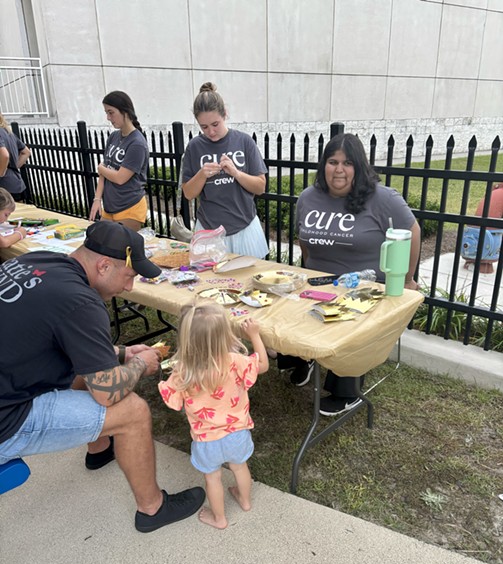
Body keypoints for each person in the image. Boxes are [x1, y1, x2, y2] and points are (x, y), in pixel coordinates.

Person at [0, 220, 205, 532]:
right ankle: (153, 509)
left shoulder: (39, 261)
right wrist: (139, 365)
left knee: (87, 367)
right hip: (6, 418)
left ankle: (98, 451)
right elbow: (106, 393)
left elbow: (62, 335)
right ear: (105, 265)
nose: (130, 287)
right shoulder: (81, 302)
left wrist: (121, 353)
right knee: (133, 411)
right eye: (130, 276)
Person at [279, 133, 420, 416]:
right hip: (318, 282)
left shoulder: (383, 199)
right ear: (324, 166)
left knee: (349, 322)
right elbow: (303, 239)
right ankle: (301, 359)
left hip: (365, 288)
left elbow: (412, 232)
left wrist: (406, 279)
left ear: (360, 167)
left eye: (347, 163)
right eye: (332, 162)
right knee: (281, 306)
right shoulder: (308, 197)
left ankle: (347, 392)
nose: (339, 169)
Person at [158, 303, 269, 529]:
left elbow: (172, 401)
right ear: (225, 334)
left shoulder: (183, 371)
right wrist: (255, 335)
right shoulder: (234, 361)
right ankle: (245, 501)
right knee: (240, 467)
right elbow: (264, 365)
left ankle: (219, 518)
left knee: (212, 478)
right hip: (237, 432)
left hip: (206, 440)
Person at [182, 82, 269, 258]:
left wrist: (236, 173)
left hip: (245, 228)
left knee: (249, 281)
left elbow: (260, 187)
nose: (211, 132)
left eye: (215, 124)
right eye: (204, 127)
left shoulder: (244, 141)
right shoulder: (194, 146)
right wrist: (201, 175)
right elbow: (188, 194)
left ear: (225, 114)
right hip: (208, 230)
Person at [89, 91, 149, 232]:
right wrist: (97, 199)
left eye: (111, 112)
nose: (108, 118)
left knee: (120, 250)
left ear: (125, 112)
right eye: (106, 113)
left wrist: (101, 168)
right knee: (99, 243)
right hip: (110, 207)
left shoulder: (137, 143)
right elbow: (106, 172)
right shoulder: (114, 137)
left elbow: (120, 178)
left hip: (130, 207)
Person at [0, 112, 31, 201]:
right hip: (17, 184)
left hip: (4, 189)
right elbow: (26, 152)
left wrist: (1, 173)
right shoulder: (8, 132)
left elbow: (5, 155)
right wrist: (14, 166)